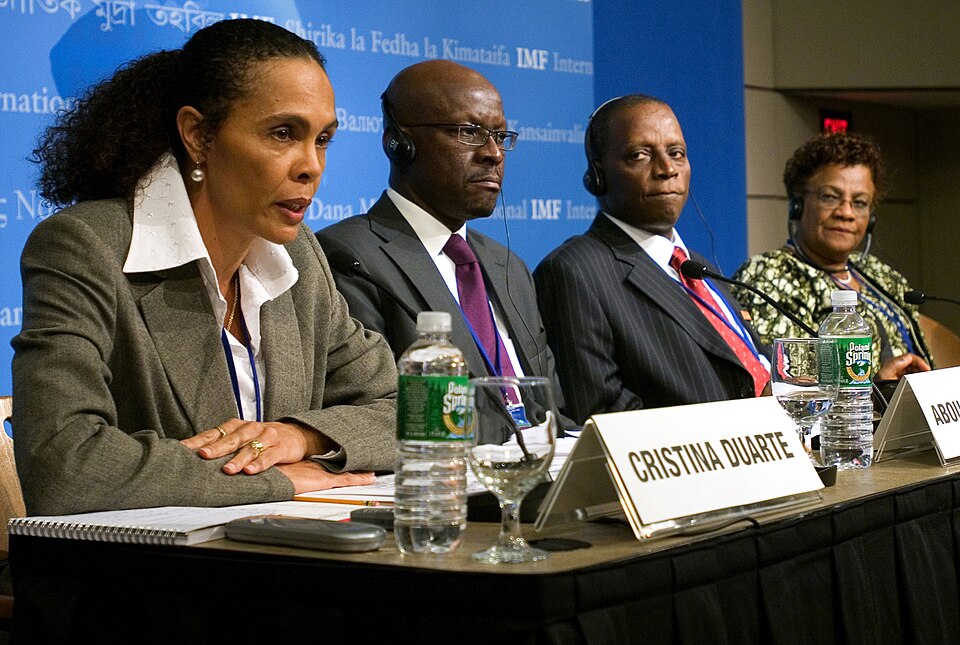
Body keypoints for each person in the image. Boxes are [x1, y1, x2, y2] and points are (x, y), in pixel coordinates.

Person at [14, 19, 398, 516]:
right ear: (198, 135)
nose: (312, 166)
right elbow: (64, 464)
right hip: (140, 578)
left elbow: (411, 413)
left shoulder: (298, 254)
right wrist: (267, 480)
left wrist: (300, 436)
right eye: (284, 133)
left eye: (322, 139)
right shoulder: (86, 246)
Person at [316, 60, 571, 427]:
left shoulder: (509, 266)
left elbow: (552, 410)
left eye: (500, 136)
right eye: (468, 131)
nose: (493, 153)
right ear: (399, 143)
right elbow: (378, 415)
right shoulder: (348, 258)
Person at [534, 95, 769, 425]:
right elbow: (601, 412)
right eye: (640, 155)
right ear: (597, 174)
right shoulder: (575, 271)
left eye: (676, 154)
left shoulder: (696, 267)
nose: (667, 169)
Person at [732, 132, 932, 380]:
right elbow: (787, 382)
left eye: (859, 202)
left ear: (871, 217)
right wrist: (875, 389)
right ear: (798, 204)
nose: (846, 212)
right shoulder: (769, 275)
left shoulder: (879, 274)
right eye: (830, 197)